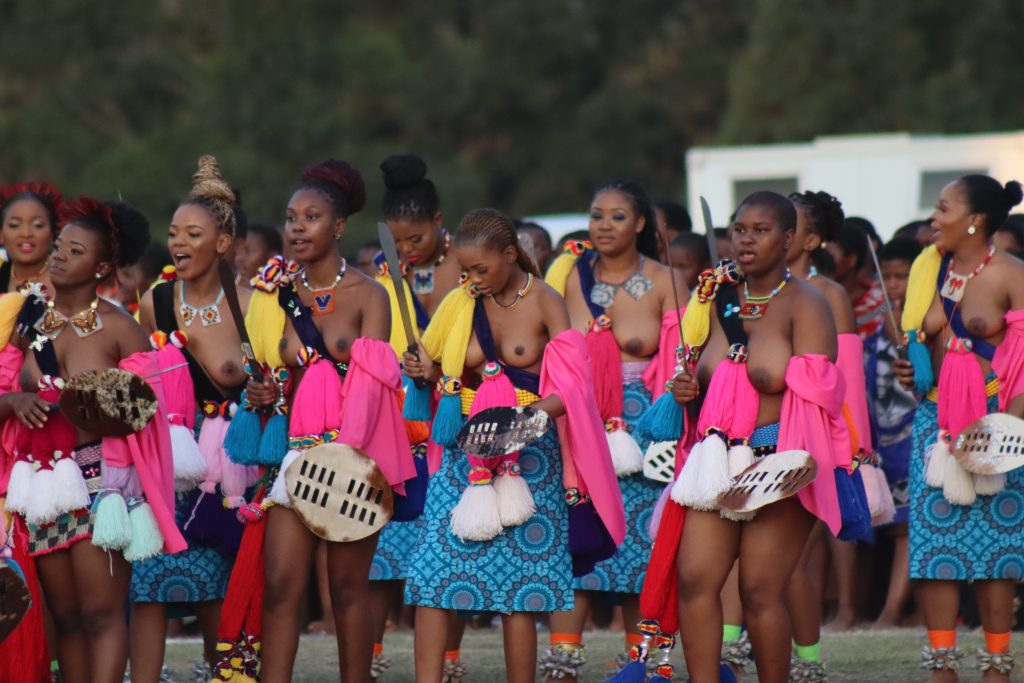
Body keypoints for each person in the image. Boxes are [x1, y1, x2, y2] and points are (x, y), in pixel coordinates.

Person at [403, 208, 625, 683]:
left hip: (530, 451)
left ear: (509, 254)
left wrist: (524, 422)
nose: (472, 280)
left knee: (521, 585)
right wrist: (425, 371)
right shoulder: (461, 302)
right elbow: (442, 370)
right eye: (465, 270)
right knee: (433, 572)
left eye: (481, 269)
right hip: (466, 448)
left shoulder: (545, 299)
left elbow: (574, 386)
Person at [228, 158, 415, 683]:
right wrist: (265, 393)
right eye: (291, 218)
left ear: (338, 227)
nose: (296, 228)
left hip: (355, 458)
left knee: (347, 589)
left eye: (311, 218)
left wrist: (341, 462)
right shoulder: (274, 294)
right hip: (296, 456)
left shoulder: (369, 294)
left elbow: (374, 386)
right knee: (282, 585)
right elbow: (273, 370)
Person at [0, 195, 185, 683]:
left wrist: (86, 406)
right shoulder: (26, 322)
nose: (59, 255)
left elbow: (144, 414)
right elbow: (0, 391)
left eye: (75, 251)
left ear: (102, 267)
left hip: (103, 482)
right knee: (65, 619)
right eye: (60, 245)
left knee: (101, 614)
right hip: (39, 485)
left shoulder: (122, 330)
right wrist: (16, 401)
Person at [671, 191, 843, 683]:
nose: (745, 240)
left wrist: (786, 464)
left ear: (788, 239)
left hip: (778, 459)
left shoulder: (806, 304)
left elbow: (823, 396)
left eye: (760, 231)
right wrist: (687, 390)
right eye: (739, 229)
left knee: (759, 590)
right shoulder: (714, 297)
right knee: (695, 579)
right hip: (715, 459)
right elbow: (702, 377)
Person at [543, 180, 686, 680]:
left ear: (640, 223)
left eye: (617, 216)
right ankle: (562, 660)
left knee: (643, 547)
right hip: (580, 419)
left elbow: (684, 356)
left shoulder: (665, 279)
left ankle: (640, 664)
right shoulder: (567, 275)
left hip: (647, 424)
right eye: (596, 215)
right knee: (579, 527)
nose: (604, 225)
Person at [131, 155, 257, 683]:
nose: (178, 242)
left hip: (232, 467)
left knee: (219, 581)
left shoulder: (253, 303)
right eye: (173, 233)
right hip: (166, 461)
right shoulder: (155, 301)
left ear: (223, 242)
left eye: (193, 234)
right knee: (148, 579)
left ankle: (226, 672)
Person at [896, 174, 1024, 682]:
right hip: (935, 421)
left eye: (943, 208)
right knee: (934, 546)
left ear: (974, 220)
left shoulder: (1012, 274)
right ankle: (942, 664)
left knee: (996, 548)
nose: (934, 217)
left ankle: (996, 665)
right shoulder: (932, 270)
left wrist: (1008, 431)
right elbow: (925, 342)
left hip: (997, 420)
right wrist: (913, 369)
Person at [371, 153, 469, 678]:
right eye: (398, 240)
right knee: (390, 540)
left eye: (417, 238)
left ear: (438, 221)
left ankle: (449, 657)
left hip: (456, 411)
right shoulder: (386, 274)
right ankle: (373, 651)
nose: (408, 249)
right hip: (401, 417)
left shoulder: (470, 266)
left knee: (452, 537)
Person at [784, 190, 872, 680]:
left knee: (796, 557)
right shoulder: (749, 289)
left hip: (815, 438)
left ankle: (808, 662)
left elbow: (847, 382)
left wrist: (852, 451)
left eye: (788, 224)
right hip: (758, 435)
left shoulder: (828, 294)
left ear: (811, 240)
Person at [866, 237, 922, 629]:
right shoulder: (875, 324)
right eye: (886, 276)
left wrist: (900, 326)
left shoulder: (920, 318)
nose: (894, 284)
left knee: (908, 527)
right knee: (894, 526)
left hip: (914, 434)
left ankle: (892, 610)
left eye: (902, 276)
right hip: (884, 436)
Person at [0, 182, 64, 296]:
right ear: (1, 235)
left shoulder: (67, 282)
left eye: (37, 225)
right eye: (14, 225)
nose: (26, 234)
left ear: (52, 234)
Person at [827, 218, 885, 339]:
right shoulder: (813, 297)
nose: (822, 261)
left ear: (851, 260)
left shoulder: (880, 303)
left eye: (829, 256)